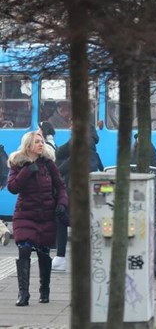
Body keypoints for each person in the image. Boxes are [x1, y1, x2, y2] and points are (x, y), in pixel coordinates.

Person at [7, 131, 68, 306]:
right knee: (24, 249)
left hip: (46, 215)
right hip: (25, 214)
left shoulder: (49, 164)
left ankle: (44, 290)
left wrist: (62, 203)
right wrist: (27, 171)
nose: (41, 144)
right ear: (28, 146)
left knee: (43, 253)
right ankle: (23, 294)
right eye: (37, 142)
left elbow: (61, 187)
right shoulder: (17, 164)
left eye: (42, 141)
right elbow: (12, 188)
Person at [53, 123, 103, 272]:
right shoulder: (93, 148)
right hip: (89, 193)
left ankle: (61, 258)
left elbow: (60, 157)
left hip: (74, 192)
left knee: (61, 219)